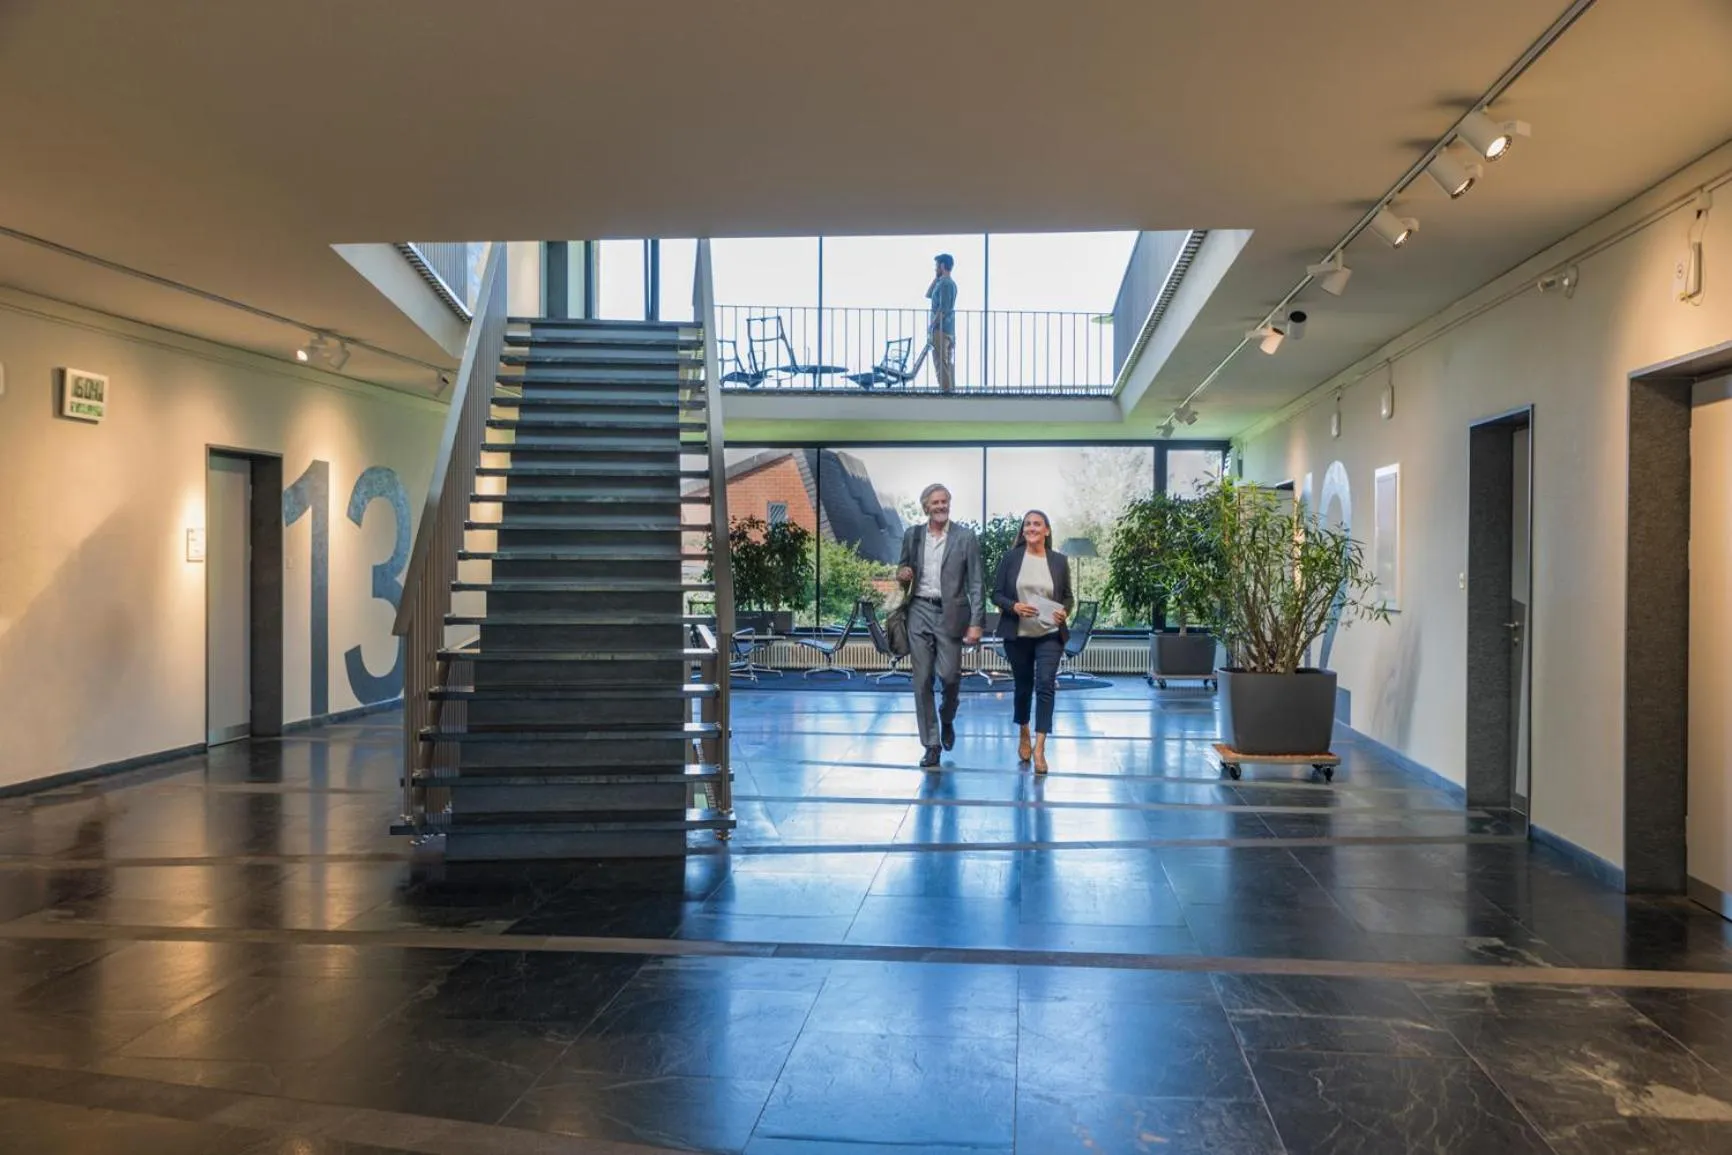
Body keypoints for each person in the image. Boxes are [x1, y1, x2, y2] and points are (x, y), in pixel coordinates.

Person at [896, 483, 983, 767]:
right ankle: (931, 744)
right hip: (919, 609)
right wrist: (904, 573)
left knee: (949, 676)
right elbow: (902, 571)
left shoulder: (965, 537)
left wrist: (976, 623)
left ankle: (947, 717)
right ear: (926, 507)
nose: (941, 506)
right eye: (936, 502)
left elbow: (976, 583)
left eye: (945, 501)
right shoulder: (913, 536)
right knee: (921, 681)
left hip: (951, 614)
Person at [991, 510, 1073, 774]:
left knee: (1046, 685)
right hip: (1018, 635)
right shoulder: (1011, 558)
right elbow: (996, 594)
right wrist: (1013, 606)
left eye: (1037, 524)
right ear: (1023, 530)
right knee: (1023, 687)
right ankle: (1024, 730)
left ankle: (1040, 747)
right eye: (1027, 524)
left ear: (1047, 530)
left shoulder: (1059, 561)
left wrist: (1065, 611)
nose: (1031, 527)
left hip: (1050, 633)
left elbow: (1068, 597)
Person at [925, 253, 958, 393]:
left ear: (942, 266)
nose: (935, 269)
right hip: (949, 329)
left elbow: (943, 309)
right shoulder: (945, 283)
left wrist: (932, 325)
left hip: (941, 329)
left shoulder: (945, 284)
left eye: (936, 266)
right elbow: (928, 294)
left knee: (941, 362)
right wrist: (936, 277)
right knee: (946, 362)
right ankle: (949, 389)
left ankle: (945, 391)